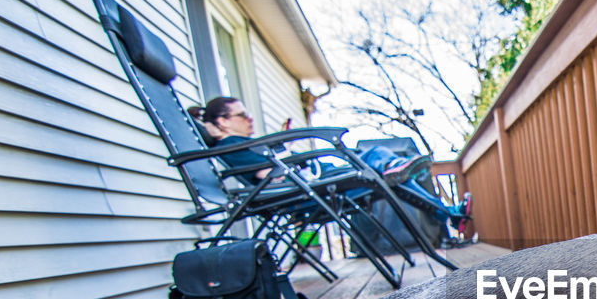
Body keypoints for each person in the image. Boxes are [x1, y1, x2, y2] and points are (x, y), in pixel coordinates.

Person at [188, 96, 471, 238]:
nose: (249, 119)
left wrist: (280, 151)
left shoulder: (241, 146)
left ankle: (445, 211)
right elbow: (267, 175)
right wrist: (285, 158)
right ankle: (406, 176)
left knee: (382, 174)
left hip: (310, 185)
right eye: (242, 114)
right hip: (306, 191)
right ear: (223, 122)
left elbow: (266, 169)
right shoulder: (233, 146)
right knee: (371, 159)